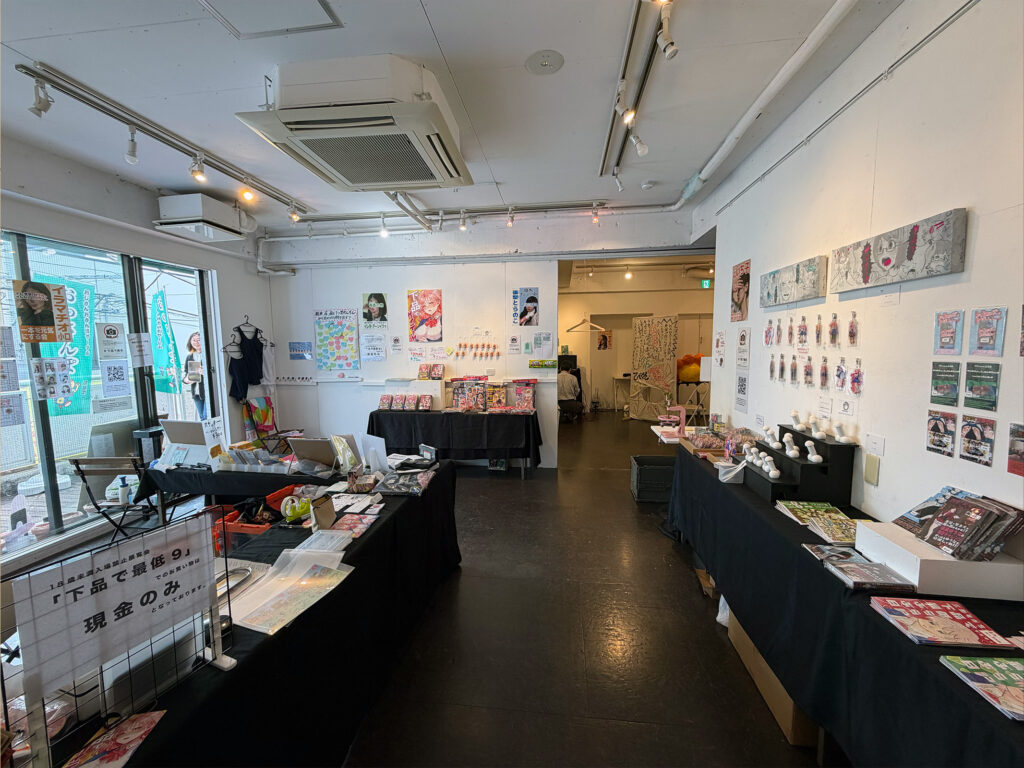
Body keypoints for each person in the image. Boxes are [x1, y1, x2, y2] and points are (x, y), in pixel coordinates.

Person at [182, 332, 207, 420]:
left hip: (207, 392)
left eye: (199, 340)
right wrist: (187, 379)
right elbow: (185, 375)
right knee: (202, 418)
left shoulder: (208, 354)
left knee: (206, 417)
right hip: (196, 393)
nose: (196, 342)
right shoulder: (190, 357)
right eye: (194, 340)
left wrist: (205, 373)